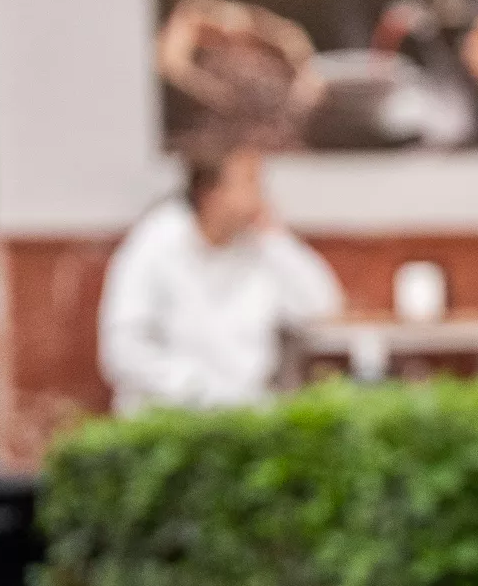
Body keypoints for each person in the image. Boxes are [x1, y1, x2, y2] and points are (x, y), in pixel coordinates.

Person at [98, 143, 345, 415]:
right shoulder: (155, 243)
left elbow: (321, 307)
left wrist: (277, 239)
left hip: (246, 417)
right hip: (168, 417)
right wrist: (195, 389)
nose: (259, 196)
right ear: (210, 194)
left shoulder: (260, 246)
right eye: (249, 183)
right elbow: (122, 350)